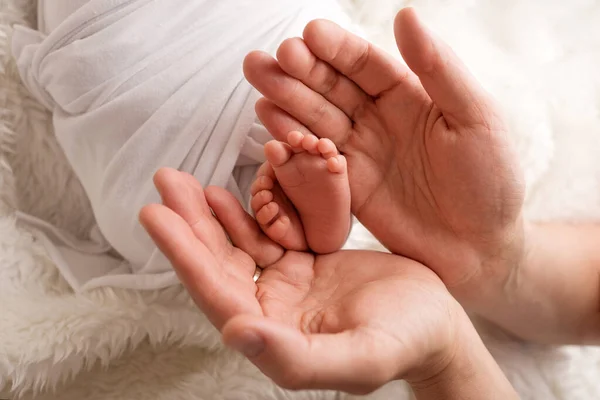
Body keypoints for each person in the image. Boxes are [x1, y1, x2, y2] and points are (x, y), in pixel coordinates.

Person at [140, 7, 529, 397]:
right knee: (299, 91)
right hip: (299, 102)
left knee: (289, 102)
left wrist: (448, 355)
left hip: (247, 107)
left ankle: (313, 214)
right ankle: (317, 217)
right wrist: (494, 259)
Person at [11, 0, 357, 291]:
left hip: (146, 148)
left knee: (153, 209)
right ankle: (317, 207)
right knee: (316, 86)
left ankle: (309, 209)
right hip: (249, 55)